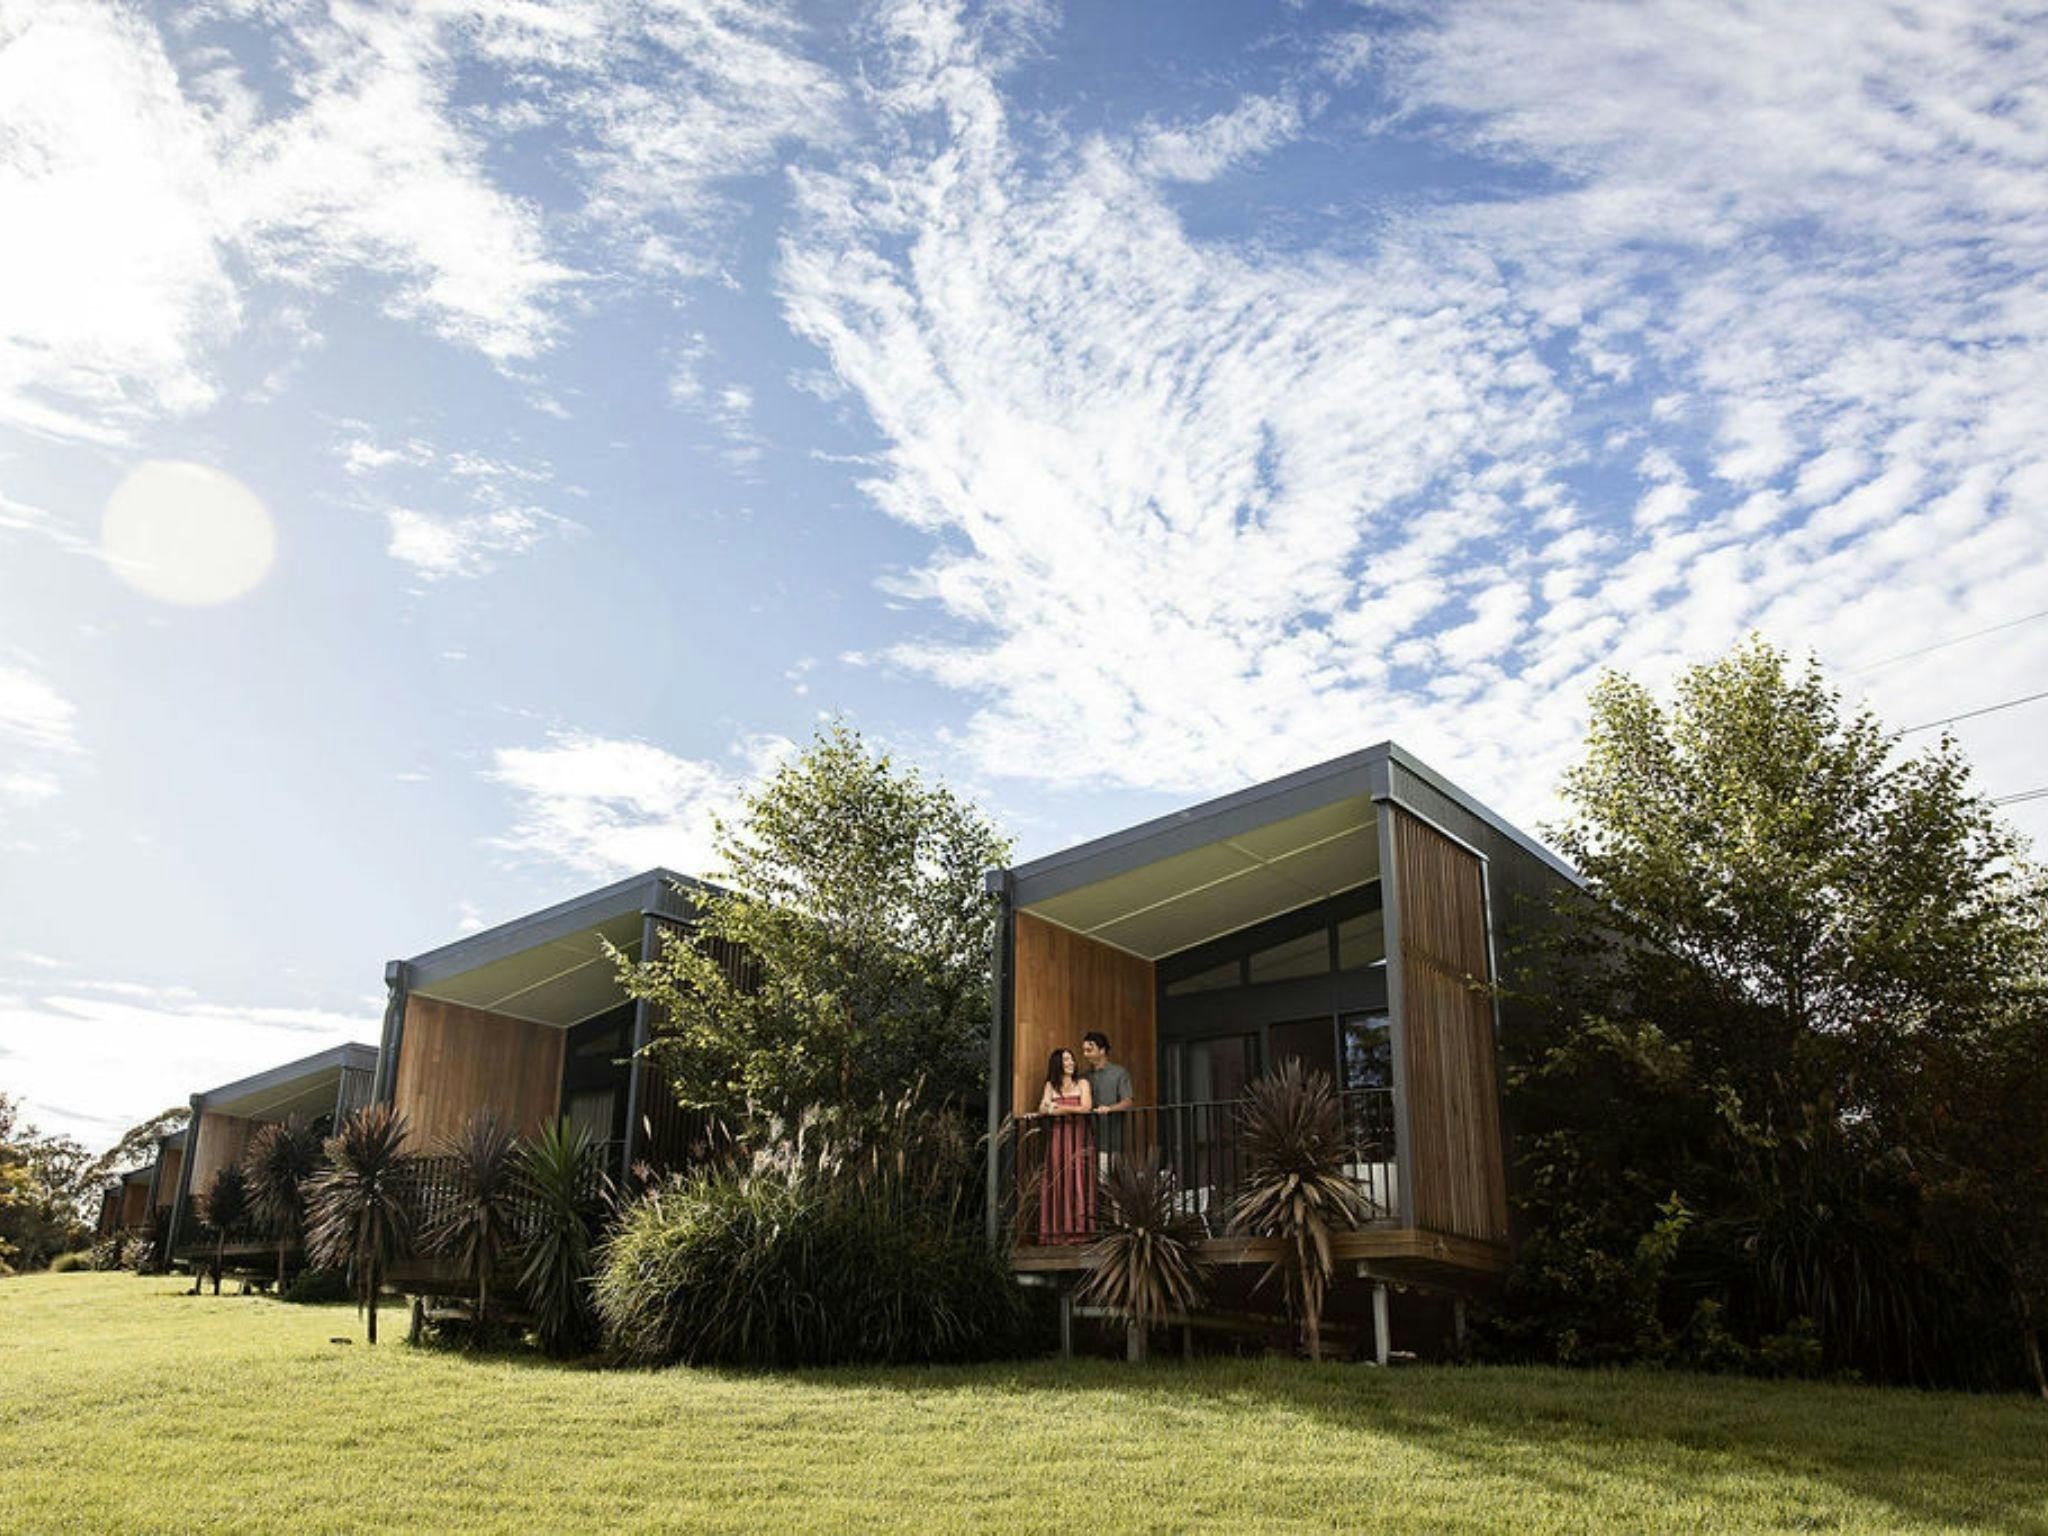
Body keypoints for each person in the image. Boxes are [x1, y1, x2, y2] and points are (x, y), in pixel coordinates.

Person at [1036, 1047, 1093, 1243]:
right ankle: (1055, 1230)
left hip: (1078, 1134)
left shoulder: (1082, 1083)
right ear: (1057, 1064)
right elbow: (1042, 1107)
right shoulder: (1050, 1086)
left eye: (1071, 1059)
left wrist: (1059, 1108)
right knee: (1058, 1177)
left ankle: (1079, 1230)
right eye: (1066, 1060)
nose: (1071, 1063)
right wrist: (1053, 1109)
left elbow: (1086, 1107)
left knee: (1078, 1177)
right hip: (1058, 1136)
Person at [1081, 1030, 1134, 1171]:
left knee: (1107, 1181)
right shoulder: (1084, 1076)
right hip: (1087, 1140)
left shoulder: (1119, 1073)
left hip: (1112, 1139)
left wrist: (1109, 1109)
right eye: (1084, 1050)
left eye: (1089, 1050)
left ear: (1102, 1050)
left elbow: (1127, 1101)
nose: (1085, 1054)